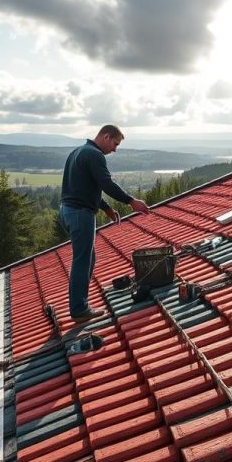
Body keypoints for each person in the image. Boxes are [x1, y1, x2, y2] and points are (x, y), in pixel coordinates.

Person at [60, 125, 150, 321]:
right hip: (80, 214)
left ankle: (80, 303)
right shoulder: (94, 155)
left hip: (68, 211)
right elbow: (106, 183)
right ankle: (78, 309)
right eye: (115, 144)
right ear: (106, 136)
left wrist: (107, 208)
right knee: (82, 261)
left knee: (88, 259)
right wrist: (131, 201)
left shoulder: (78, 152)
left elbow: (85, 188)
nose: (115, 150)